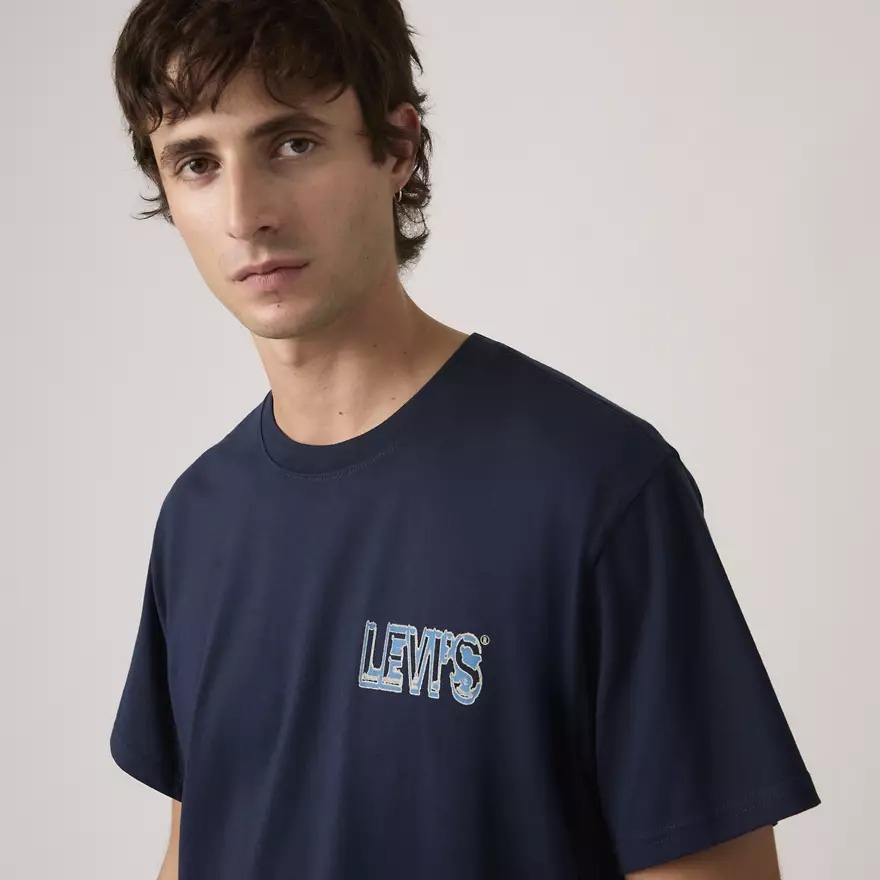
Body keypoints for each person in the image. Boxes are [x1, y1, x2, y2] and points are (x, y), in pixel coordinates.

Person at [108, 2, 821, 878]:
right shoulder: (198, 519)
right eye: (197, 162)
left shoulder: (597, 489)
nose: (244, 213)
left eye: (292, 143)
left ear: (396, 148)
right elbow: (196, 846)